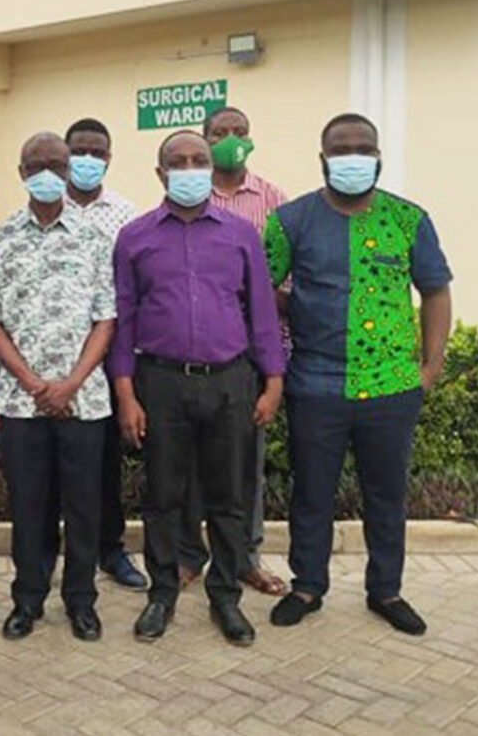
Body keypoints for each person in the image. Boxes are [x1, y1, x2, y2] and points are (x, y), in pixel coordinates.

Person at [264, 113, 453, 636]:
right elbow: (260, 286)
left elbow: (435, 291)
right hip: (315, 384)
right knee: (311, 493)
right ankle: (307, 587)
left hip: (392, 386)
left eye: (363, 148)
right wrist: (299, 308)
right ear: (323, 159)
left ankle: (386, 590)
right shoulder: (291, 220)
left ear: (378, 157)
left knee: (386, 495)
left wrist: (430, 368)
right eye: (341, 149)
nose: (353, 157)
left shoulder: (408, 219)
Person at [111, 131, 285, 646]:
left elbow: (261, 312)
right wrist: (126, 393)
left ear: (210, 168)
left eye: (198, 160)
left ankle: (225, 596)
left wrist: (273, 381)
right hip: (161, 382)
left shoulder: (241, 235)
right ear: (160, 173)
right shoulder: (134, 238)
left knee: (230, 496)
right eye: (178, 161)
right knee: (163, 496)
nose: (189, 168)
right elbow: (123, 319)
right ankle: (162, 594)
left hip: (230, 381)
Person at [0, 132, 115, 642]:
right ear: (21, 172)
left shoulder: (94, 238)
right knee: (29, 507)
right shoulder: (2, 237)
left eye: (56, 163)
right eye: (36, 164)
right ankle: (27, 599)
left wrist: (71, 382)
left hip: (83, 400)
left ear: (68, 170)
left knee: (84, 508)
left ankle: (81, 601)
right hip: (21, 402)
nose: (47, 172)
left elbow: (106, 318)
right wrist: (30, 381)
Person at [175, 107, 293, 597]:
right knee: (188, 466)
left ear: (251, 137)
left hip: (248, 357)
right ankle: (188, 556)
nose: (229, 140)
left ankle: (246, 558)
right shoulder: (185, 198)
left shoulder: (274, 202)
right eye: (219, 133)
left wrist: (246, 297)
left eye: (238, 132)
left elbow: (286, 284)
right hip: (190, 356)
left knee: (245, 467)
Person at [61, 117, 147, 592]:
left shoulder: (126, 216)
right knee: (53, 464)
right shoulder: (43, 207)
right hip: (50, 361)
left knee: (105, 462)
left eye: (97, 152)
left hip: (108, 359)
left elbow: (131, 290)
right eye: (80, 151)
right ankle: (56, 552)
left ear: (109, 159)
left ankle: (111, 549)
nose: (88, 160)